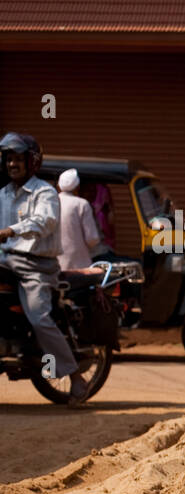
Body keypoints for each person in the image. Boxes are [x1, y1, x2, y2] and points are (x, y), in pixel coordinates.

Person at [0, 132, 89, 404]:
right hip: (4, 261)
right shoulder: (3, 193)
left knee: (39, 317)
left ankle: (75, 377)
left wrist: (11, 230)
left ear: (32, 162)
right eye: (9, 160)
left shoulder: (45, 192)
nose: (13, 165)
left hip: (35, 267)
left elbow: (44, 222)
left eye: (18, 159)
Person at [56, 168, 101, 271]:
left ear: (58, 186)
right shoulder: (82, 204)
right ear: (78, 187)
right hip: (79, 266)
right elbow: (92, 238)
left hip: (54, 264)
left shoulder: (50, 201)